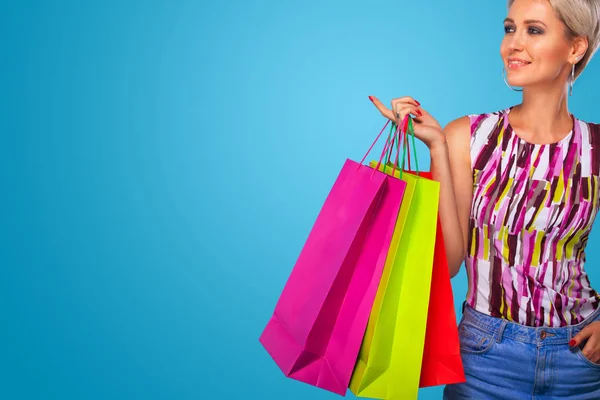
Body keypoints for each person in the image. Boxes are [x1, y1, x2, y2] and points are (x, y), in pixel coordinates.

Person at [370, 0, 600, 398]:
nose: (513, 43)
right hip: (485, 356)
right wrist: (437, 148)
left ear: (575, 48)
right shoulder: (470, 137)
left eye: (534, 30)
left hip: (581, 359)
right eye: (510, 28)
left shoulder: (594, 146)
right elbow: (452, 261)